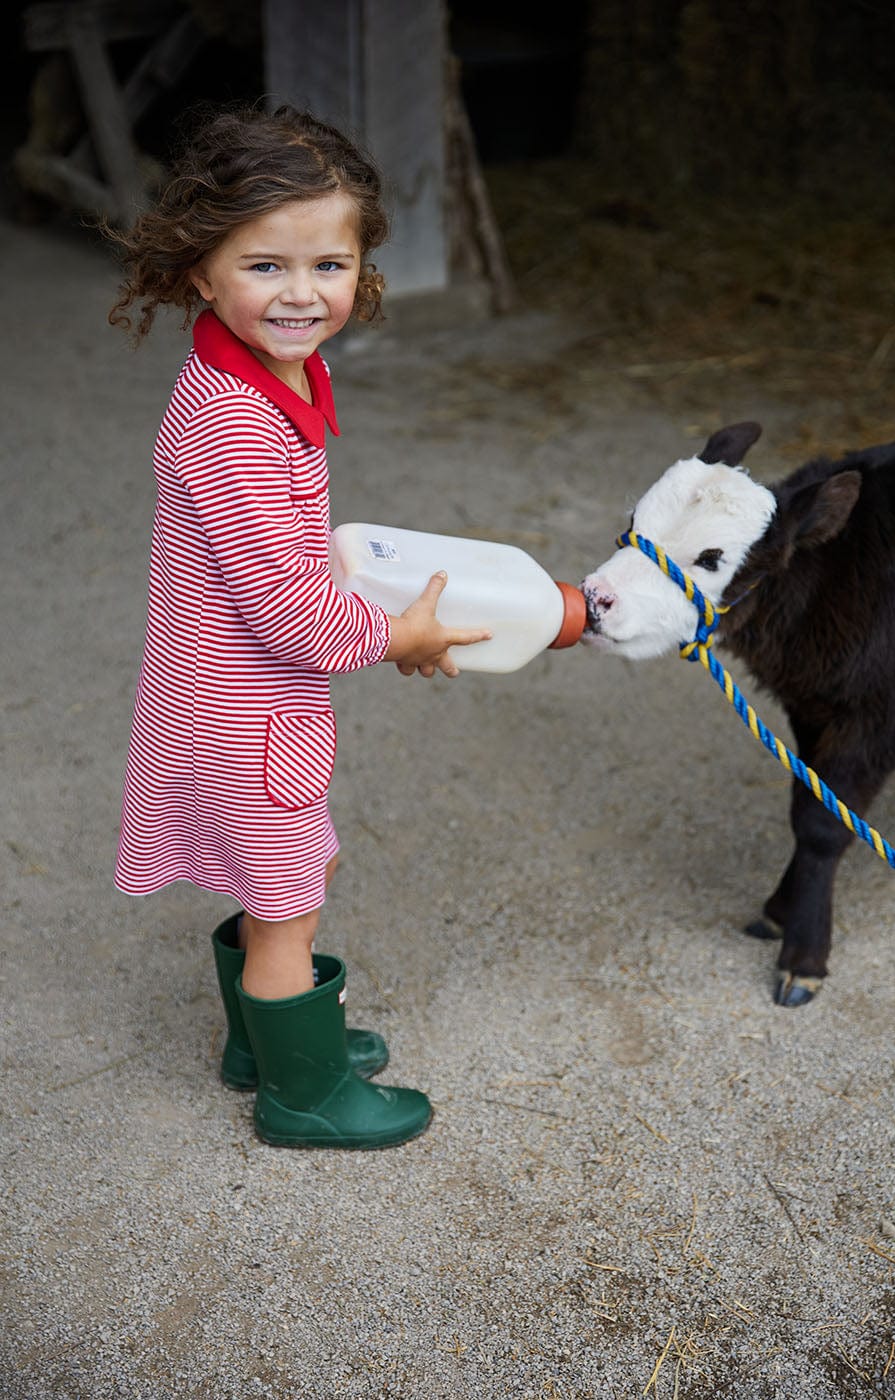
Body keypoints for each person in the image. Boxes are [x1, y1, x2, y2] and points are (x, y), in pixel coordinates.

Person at [108, 103, 489, 1150]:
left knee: (278, 870)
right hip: (244, 712)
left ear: (360, 268)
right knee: (287, 900)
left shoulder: (257, 371)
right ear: (201, 269)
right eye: (265, 266)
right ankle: (304, 1095)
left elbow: (278, 553)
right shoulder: (235, 418)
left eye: (327, 263)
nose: (300, 292)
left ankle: (261, 1044)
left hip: (228, 699)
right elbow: (287, 611)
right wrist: (396, 633)